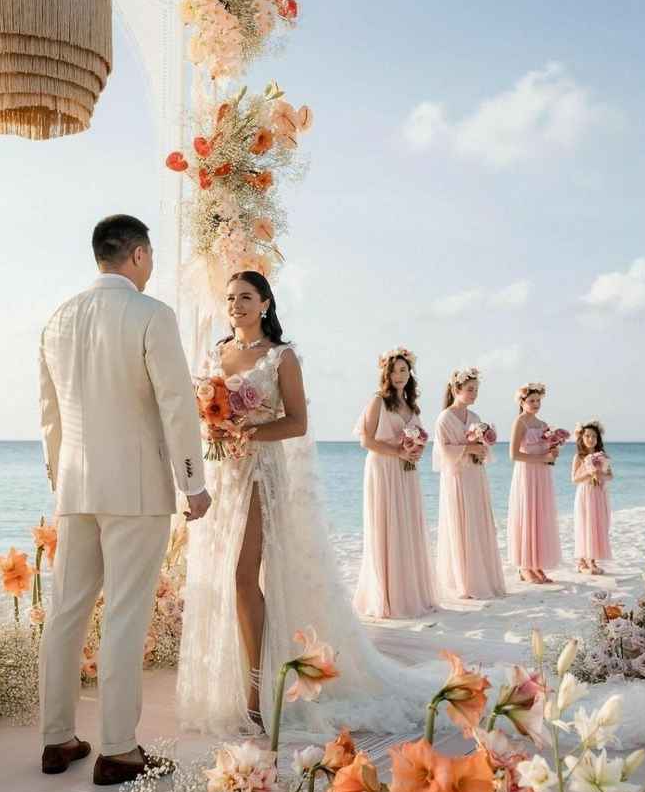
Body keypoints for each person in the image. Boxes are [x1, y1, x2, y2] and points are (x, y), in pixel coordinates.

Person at [178, 273, 446, 740]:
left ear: (264, 303)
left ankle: (258, 695)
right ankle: (237, 680)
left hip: (262, 473)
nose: (236, 305)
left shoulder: (281, 357)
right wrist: (213, 428)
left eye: (245, 297)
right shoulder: (216, 354)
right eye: (230, 298)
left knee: (243, 576)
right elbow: (200, 412)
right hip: (222, 472)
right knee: (221, 576)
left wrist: (247, 431)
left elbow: (297, 423)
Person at [38, 214, 210, 785]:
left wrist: (60, 476)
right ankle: (118, 750)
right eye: (151, 254)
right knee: (124, 613)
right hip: (135, 488)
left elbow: (50, 416)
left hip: (76, 485)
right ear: (137, 255)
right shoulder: (151, 315)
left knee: (66, 611)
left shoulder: (56, 320)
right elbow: (177, 406)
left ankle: (56, 739)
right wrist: (193, 482)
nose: (153, 263)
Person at [353, 347, 438, 619]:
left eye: (403, 370)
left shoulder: (411, 405)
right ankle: (387, 597)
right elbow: (366, 440)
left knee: (407, 527)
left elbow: (420, 437)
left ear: (409, 372)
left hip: (407, 470)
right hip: (384, 469)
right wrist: (398, 452)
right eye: (393, 370)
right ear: (385, 374)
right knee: (387, 527)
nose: (398, 375)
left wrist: (416, 451)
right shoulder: (378, 401)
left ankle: (408, 593)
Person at [433, 367, 506, 600]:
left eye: (476, 390)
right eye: (470, 389)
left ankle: (481, 575)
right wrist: (468, 447)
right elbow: (442, 451)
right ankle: (464, 580)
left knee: (477, 521)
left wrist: (481, 450)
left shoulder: (475, 419)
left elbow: (484, 451)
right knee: (461, 523)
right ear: (457, 389)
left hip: (475, 475)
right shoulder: (444, 418)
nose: (474, 394)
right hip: (456, 478)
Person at [507, 382, 561, 584]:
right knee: (528, 515)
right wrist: (542, 458)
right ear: (522, 402)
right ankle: (525, 566)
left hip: (542, 475)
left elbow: (549, 451)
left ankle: (537, 564)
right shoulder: (520, 422)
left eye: (538, 400)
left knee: (540, 516)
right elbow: (513, 454)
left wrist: (554, 452)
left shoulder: (542, 423)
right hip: (527, 474)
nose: (536, 404)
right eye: (531, 400)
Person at [572, 420, 613, 575]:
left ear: (598, 439)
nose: (590, 439)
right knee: (585, 524)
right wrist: (589, 472)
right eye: (587, 436)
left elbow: (610, 475)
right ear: (582, 438)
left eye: (594, 436)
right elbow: (574, 478)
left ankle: (592, 560)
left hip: (599, 493)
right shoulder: (579, 457)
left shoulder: (602, 456)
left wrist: (600, 473)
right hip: (585, 493)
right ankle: (582, 561)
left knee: (597, 525)